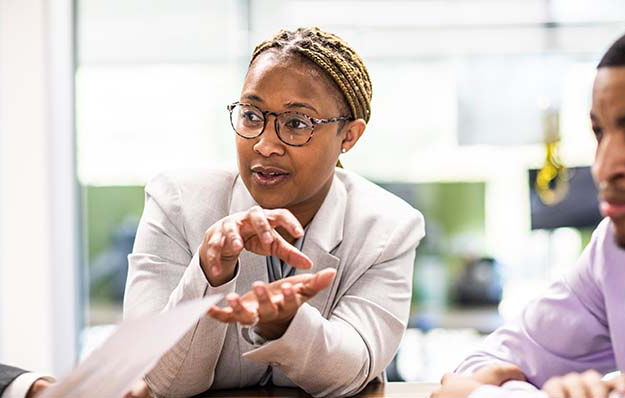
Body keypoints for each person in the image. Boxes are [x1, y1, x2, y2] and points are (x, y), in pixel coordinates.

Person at [123, 27, 425, 398]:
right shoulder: (177, 202)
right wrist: (207, 274)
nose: (265, 145)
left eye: (297, 123)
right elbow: (161, 379)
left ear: (349, 136)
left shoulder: (389, 227)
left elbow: (351, 374)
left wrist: (287, 325)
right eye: (251, 116)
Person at [433, 16, 625, 398]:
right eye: (600, 132)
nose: (603, 167)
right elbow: (486, 363)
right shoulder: (618, 249)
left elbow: (467, 390)